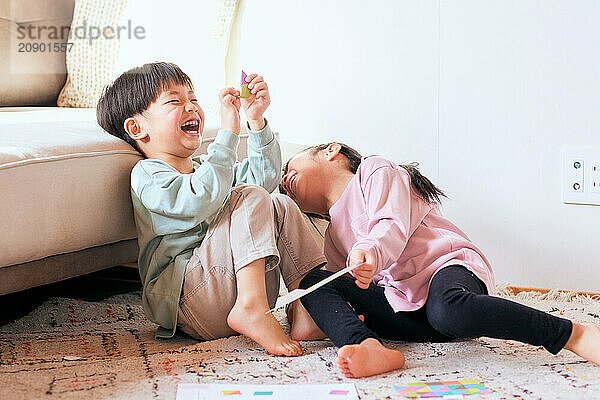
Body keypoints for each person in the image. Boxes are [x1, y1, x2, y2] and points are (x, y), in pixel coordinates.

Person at [279, 142, 600, 377]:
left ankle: (574, 334)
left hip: (445, 275)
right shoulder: (333, 237)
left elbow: (389, 225)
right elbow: (348, 288)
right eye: (282, 182)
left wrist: (371, 253)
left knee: (450, 309)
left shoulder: (374, 172)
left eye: (290, 168)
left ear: (330, 151)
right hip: (412, 316)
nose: (284, 180)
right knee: (314, 281)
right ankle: (370, 346)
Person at [96, 62, 326, 356]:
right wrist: (227, 134)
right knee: (246, 195)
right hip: (190, 300)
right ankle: (251, 308)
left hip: (228, 287)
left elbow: (264, 179)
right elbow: (199, 199)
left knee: (279, 203)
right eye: (175, 101)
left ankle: (305, 304)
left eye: (193, 99)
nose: (191, 107)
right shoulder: (148, 175)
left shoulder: (206, 167)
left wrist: (255, 120)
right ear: (137, 128)